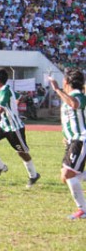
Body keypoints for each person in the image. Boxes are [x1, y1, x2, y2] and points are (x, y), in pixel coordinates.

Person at [0, 69, 40, 187]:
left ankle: (33, 175)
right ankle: (1, 167)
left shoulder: (5, 91)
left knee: (22, 152)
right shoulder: (5, 89)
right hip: (3, 124)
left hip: (14, 127)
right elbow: (19, 96)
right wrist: (14, 104)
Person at [48, 69, 86, 220]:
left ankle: (83, 210)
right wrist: (66, 136)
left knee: (68, 174)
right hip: (72, 140)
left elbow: (75, 104)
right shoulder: (69, 97)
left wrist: (57, 89)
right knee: (66, 177)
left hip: (81, 139)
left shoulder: (78, 95)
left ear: (67, 82)